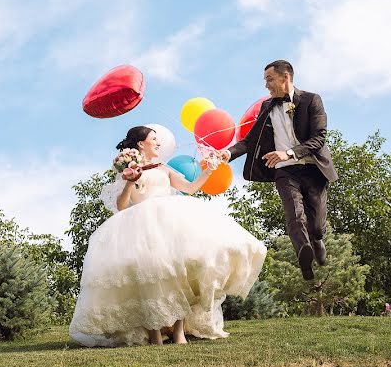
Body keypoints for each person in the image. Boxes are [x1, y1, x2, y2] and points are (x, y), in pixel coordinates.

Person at [69, 126, 266, 346]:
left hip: (170, 223)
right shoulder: (128, 169)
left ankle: (179, 331)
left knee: (177, 272)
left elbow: (190, 188)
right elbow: (122, 206)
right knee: (149, 277)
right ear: (141, 144)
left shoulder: (164, 168)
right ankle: (154, 334)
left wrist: (208, 171)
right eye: (154, 139)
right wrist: (129, 181)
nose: (159, 143)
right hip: (140, 225)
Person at [220, 60, 338, 280]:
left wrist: (290, 152)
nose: (266, 85)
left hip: (313, 167)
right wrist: (228, 153)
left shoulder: (312, 100)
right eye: (265, 80)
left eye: (269, 79)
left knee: (317, 225)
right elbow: (250, 140)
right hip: (285, 171)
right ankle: (304, 254)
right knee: (294, 215)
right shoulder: (267, 107)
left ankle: (317, 239)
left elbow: (319, 138)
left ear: (286, 77)